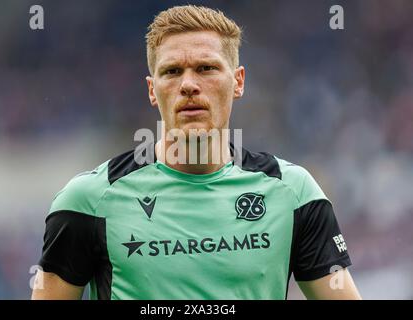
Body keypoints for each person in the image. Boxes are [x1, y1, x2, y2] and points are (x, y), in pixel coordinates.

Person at [32, 5, 361, 300]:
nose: (189, 84)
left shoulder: (294, 193)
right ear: (152, 89)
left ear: (238, 81)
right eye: (172, 71)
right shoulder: (88, 201)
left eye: (206, 68)